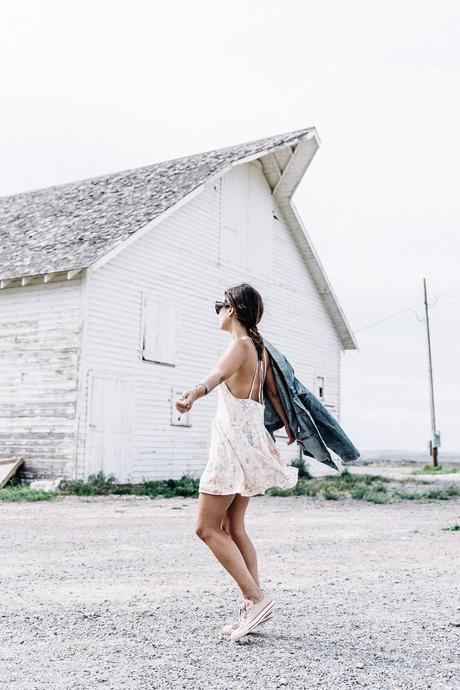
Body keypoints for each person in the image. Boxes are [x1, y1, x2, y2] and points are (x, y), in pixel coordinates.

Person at [175, 283, 298, 642]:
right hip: (251, 439)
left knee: (206, 528)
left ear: (232, 310)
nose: (217, 311)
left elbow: (213, 378)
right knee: (234, 527)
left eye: (220, 305)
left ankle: (255, 598)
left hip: (231, 445)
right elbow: (275, 393)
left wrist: (191, 395)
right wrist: (289, 427)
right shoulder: (260, 350)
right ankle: (254, 605)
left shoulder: (241, 345)